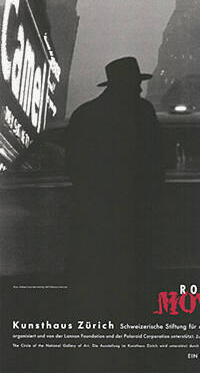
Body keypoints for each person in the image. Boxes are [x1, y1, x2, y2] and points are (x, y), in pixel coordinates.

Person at [65, 57, 163, 316]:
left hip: (93, 214)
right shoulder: (143, 112)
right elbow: (159, 161)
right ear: (127, 84)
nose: (140, 89)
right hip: (135, 212)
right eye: (136, 84)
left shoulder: (84, 114)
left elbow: (73, 166)